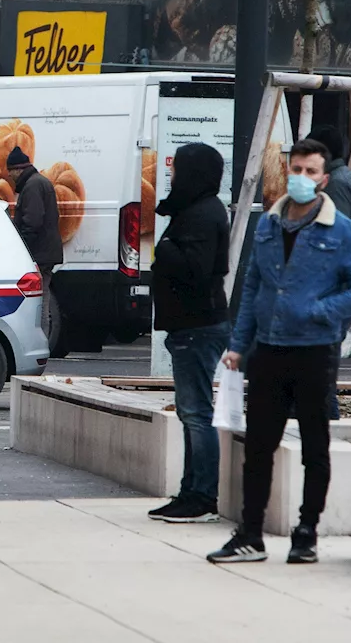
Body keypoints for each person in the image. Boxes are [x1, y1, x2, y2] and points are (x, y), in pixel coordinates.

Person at [207, 138, 351, 565]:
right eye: (295, 169)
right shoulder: (269, 224)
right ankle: (249, 534)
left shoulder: (344, 231)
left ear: (323, 178)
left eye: (310, 171)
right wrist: (238, 345)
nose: (301, 178)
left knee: (315, 447)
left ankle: (307, 532)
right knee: (258, 447)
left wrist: (320, 311)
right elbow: (253, 289)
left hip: (315, 352)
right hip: (269, 350)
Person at [147, 144, 230, 524]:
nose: (172, 177)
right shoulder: (196, 209)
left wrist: (164, 250)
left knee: (196, 413)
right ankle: (190, 491)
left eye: (178, 170)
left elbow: (196, 269)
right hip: (191, 325)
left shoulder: (201, 213)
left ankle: (201, 496)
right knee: (190, 412)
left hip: (197, 326)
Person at [307, 125, 351, 420]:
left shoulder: (335, 184)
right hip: (336, 287)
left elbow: (333, 238)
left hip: (332, 289)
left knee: (320, 365)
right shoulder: (343, 178)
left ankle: (326, 421)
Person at [6, 146, 62, 343]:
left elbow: (32, 222)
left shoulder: (32, 186)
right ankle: (40, 342)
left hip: (39, 254)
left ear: (17, 169)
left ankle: (40, 343)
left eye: (10, 172)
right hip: (46, 252)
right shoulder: (39, 182)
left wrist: (21, 250)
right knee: (42, 299)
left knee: (39, 302)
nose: (10, 177)